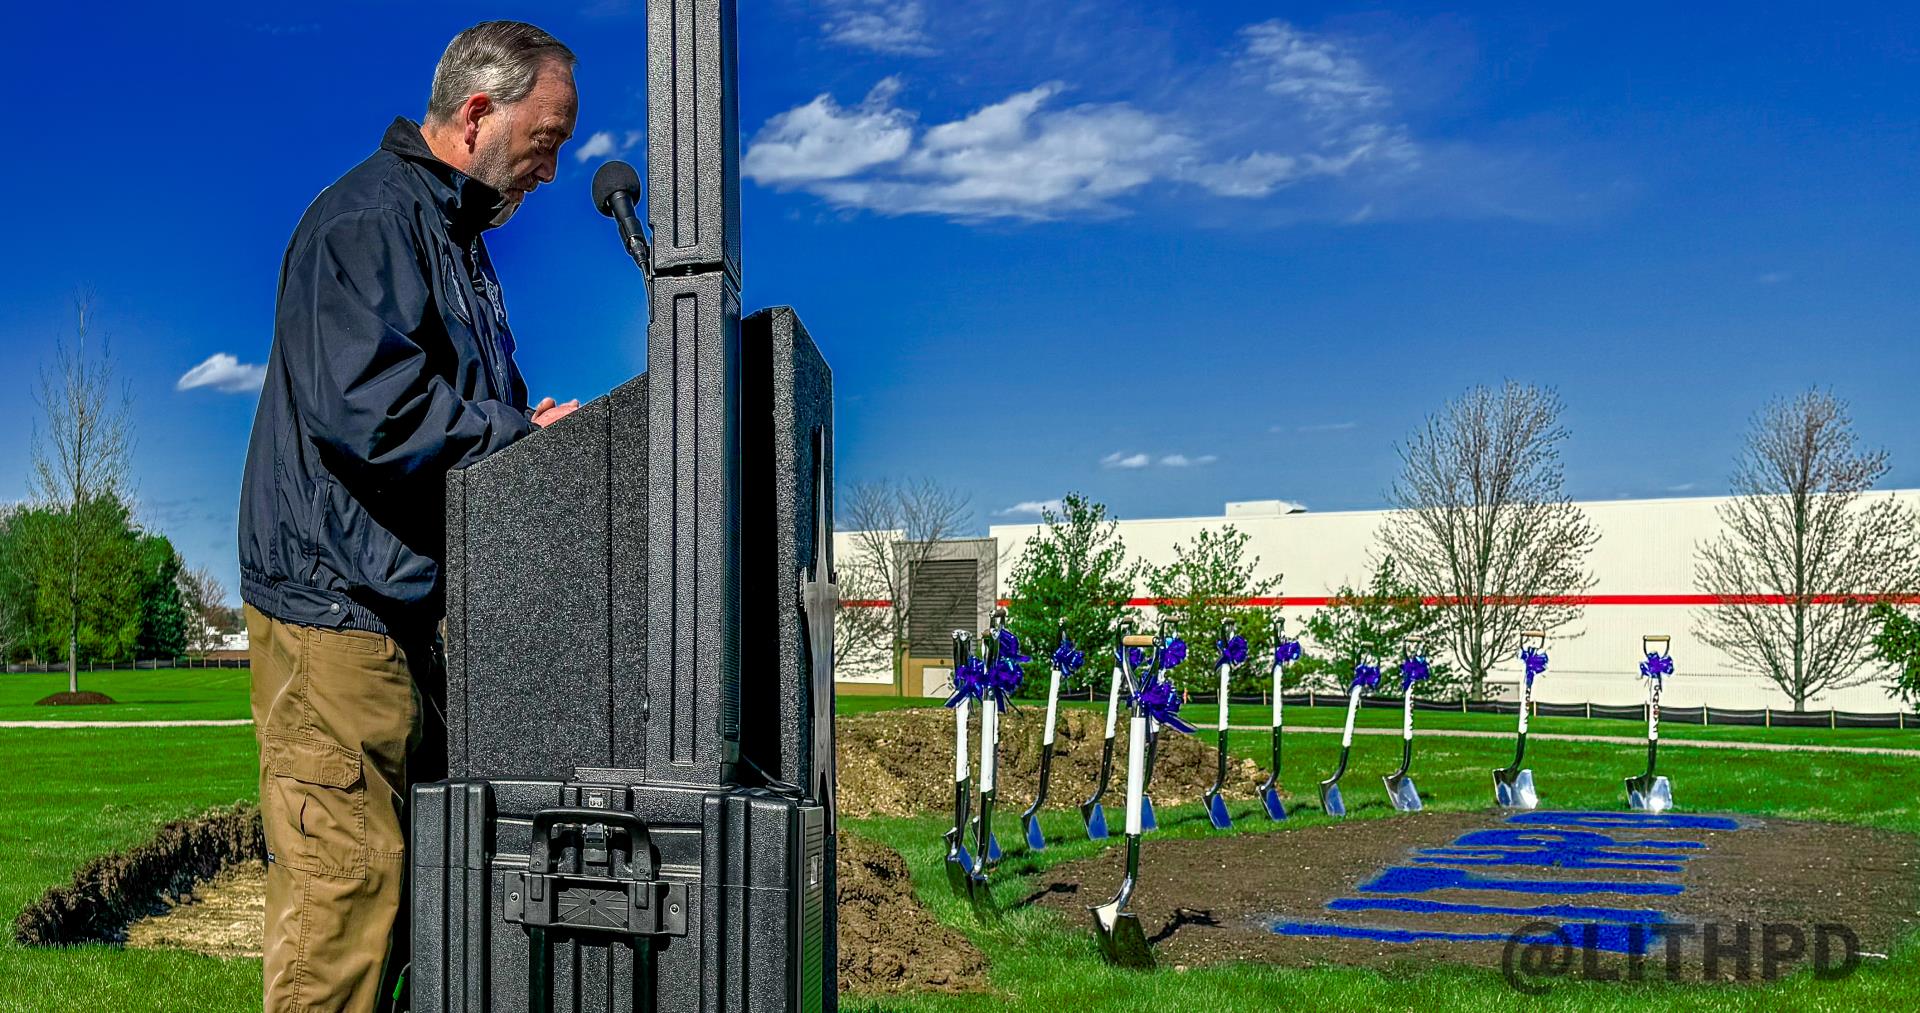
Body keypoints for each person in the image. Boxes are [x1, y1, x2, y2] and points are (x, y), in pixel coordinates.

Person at [237, 20, 581, 1012]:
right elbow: (373, 410)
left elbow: (462, 416)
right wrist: (515, 435)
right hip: (334, 615)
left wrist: (529, 441)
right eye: (546, 140)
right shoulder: (368, 220)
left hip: (400, 623)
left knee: (409, 920)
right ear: (479, 113)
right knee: (344, 916)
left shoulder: (455, 242)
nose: (552, 169)